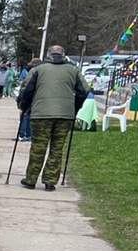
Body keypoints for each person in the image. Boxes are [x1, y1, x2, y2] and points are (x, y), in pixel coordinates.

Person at [18, 44, 88, 192]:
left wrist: (24, 106)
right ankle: (50, 181)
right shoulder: (73, 69)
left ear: (48, 55)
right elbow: (84, 90)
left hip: (41, 114)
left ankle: (31, 179)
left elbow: (26, 89)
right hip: (65, 115)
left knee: (38, 147)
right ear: (63, 55)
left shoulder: (38, 69)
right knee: (57, 148)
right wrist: (75, 107)